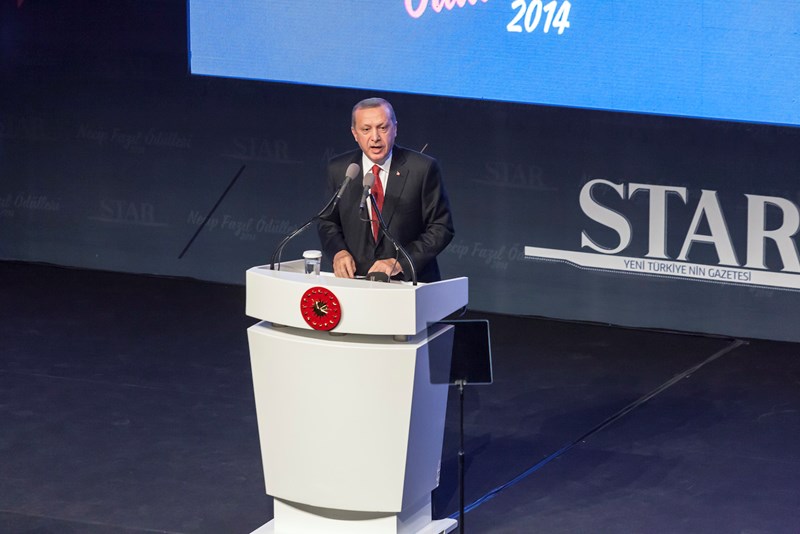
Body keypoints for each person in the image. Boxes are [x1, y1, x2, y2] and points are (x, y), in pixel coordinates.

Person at [318, 97, 454, 283]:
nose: (375, 137)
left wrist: (400, 262)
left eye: (383, 128)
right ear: (354, 133)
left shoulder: (422, 168)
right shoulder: (340, 169)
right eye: (366, 129)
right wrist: (338, 252)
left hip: (408, 283)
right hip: (355, 281)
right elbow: (327, 222)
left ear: (395, 129)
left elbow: (441, 227)